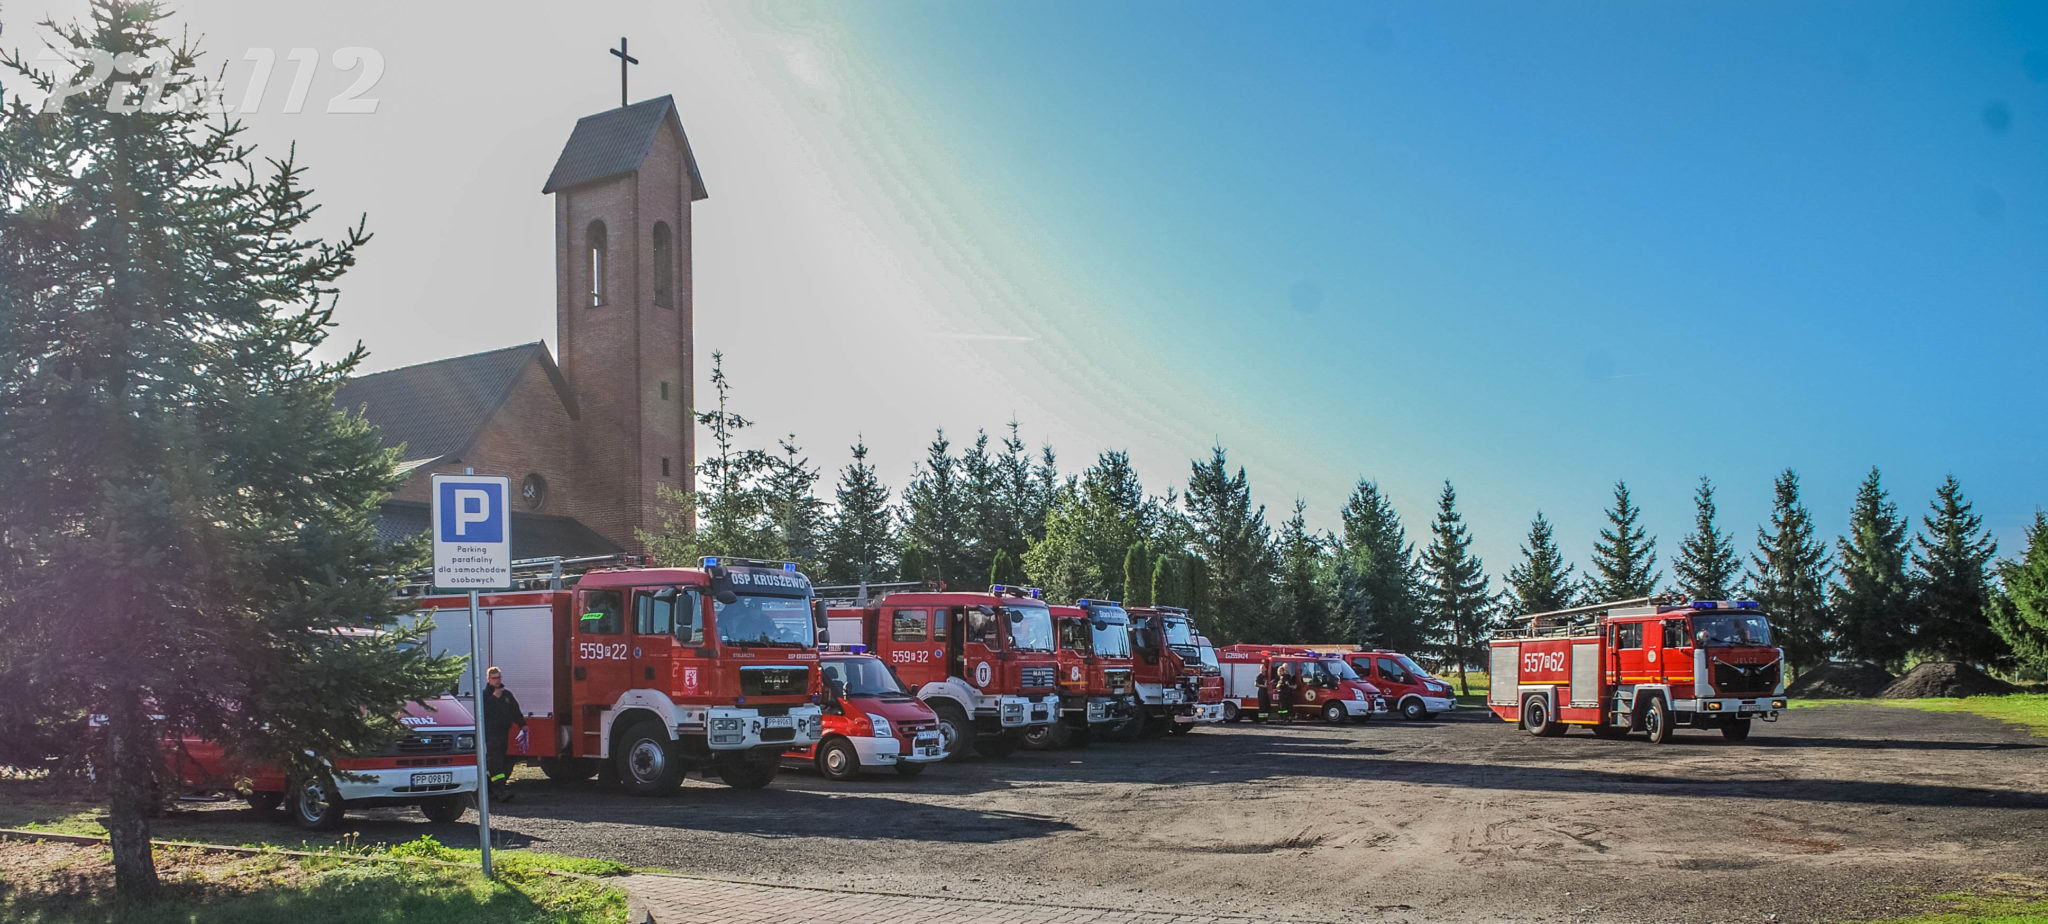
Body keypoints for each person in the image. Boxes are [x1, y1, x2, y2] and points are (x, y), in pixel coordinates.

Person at [482, 666, 526, 803]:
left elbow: (515, 711)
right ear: (488, 679)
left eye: (498, 677)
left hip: (503, 733)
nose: (496, 680)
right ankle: (500, 790)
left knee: (504, 761)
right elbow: (482, 712)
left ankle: (490, 789)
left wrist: (523, 724)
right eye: (494, 678)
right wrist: (494, 698)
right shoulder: (485, 695)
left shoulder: (507, 695)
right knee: (495, 762)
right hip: (490, 733)